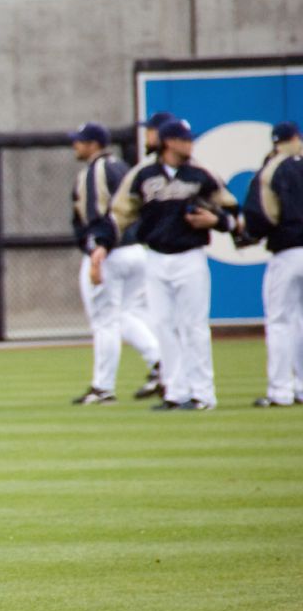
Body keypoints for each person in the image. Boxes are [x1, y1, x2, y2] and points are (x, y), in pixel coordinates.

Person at [91, 118, 239, 411]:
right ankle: (175, 392)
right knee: (164, 325)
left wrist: (218, 221)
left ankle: (203, 394)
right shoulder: (144, 174)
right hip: (155, 258)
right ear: (169, 142)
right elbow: (119, 213)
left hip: (190, 256)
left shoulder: (200, 174)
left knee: (194, 326)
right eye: (184, 140)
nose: (189, 144)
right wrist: (102, 246)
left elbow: (234, 212)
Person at [69, 122, 161, 405]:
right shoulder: (123, 167)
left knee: (105, 321)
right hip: (136, 251)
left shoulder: (95, 171)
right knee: (127, 313)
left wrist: (97, 248)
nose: (76, 146)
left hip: (109, 252)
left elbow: (97, 214)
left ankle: (103, 387)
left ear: (94, 144)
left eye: (80, 141)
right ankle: (160, 362)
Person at [238, 121, 303, 407]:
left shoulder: (273, 167)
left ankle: (280, 391)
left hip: (287, 252)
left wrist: (250, 235)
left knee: (280, 322)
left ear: (276, 142)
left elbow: (260, 213)